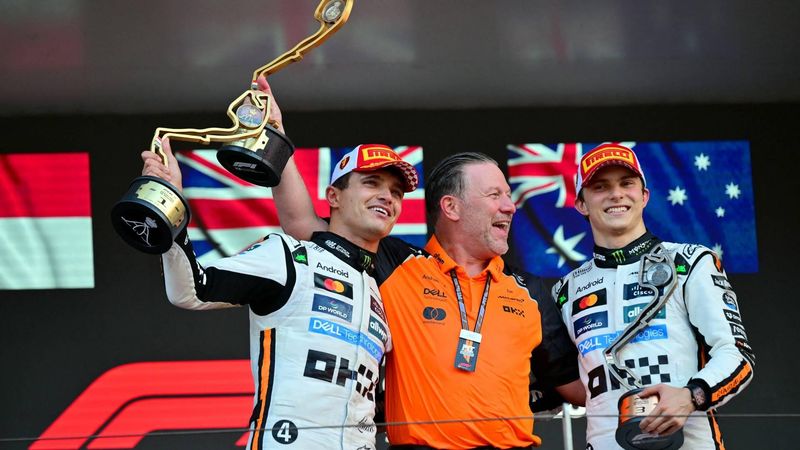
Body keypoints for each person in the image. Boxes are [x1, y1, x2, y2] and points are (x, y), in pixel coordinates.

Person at [264, 78, 584, 448]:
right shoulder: (396, 265)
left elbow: (575, 386)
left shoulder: (532, 293)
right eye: (495, 195)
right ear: (451, 207)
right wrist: (275, 136)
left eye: (509, 196)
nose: (510, 206)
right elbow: (303, 225)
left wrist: (649, 395)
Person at [142, 124, 420, 447]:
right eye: (372, 183)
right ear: (334, 196)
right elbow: (191, 290)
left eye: (397, 192)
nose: (387, 197)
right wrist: (169, 205)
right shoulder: (289, 257)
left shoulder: (385, 290)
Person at [552, 143, 756, 449]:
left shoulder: (691, 263)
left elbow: (737, 354)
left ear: (644, 195)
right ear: (581, 204)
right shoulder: (566, 290)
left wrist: (691, 395)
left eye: (627, 183)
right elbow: (569, 383)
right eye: (600, 186)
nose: (616, 194)